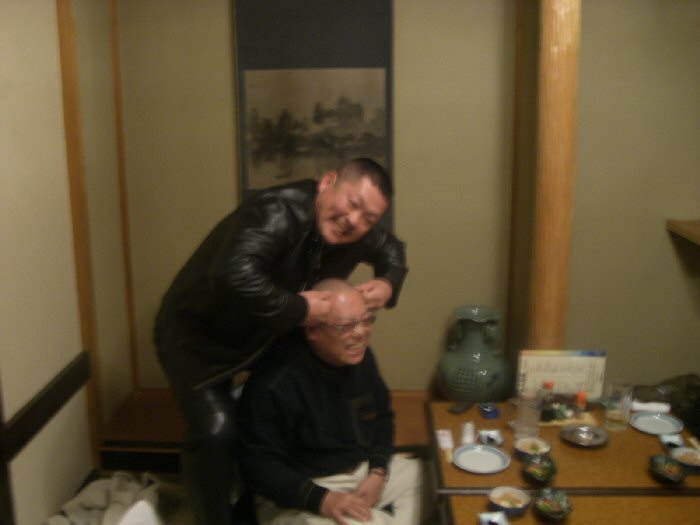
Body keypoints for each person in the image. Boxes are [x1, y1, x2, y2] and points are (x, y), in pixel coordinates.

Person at [153, 158, 408, 525]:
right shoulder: (276, 211)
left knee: (304, 387)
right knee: (215, 431)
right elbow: (231, 275)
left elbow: (392, 250)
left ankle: (284, 490)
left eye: (368, 218)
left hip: (267, 330)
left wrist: (387, 283)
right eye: (352, 203)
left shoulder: (357, 231)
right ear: (327, 182)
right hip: (198, 336)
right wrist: (300, 308)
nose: (354, 221)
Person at [237, 279, 432, 525]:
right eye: (346, 325)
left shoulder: (361, 357)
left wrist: (378, 471)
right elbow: (258, 466)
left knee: (433, 479)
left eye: (366, 320)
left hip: (360, 470)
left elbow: (383, 418)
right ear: (312, 330)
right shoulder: (275, 383)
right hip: (303, 489)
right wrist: (321, 498)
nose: (360, 333)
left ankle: (376, 519)